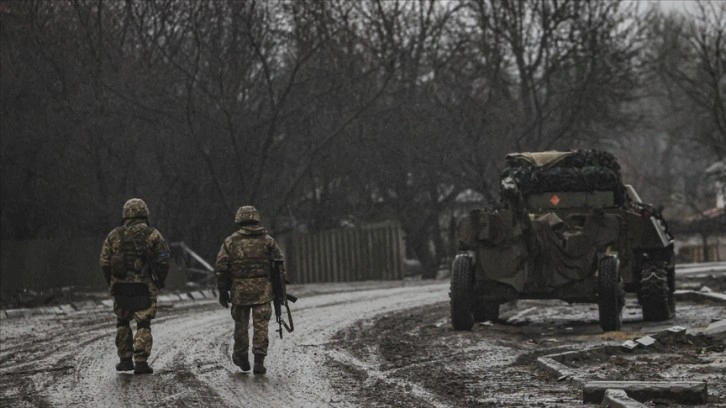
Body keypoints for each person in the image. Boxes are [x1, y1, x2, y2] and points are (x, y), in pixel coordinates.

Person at [99, 198, 170, 375]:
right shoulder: (153, 234)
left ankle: (124, 360)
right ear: (145, 213)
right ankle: (140, 361)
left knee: (122, 321)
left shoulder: (114, 235)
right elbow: (164, 259)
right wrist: (158, 279)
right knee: (143, 323)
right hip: (144, 287)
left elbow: (104, 262)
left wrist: (112, 282)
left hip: (120, 286)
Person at [216, 205, 286, 374]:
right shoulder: (268, 241)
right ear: (256, 219)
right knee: (261, 325)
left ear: (239, 220)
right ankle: (259, 360)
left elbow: (221, 267)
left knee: (241, 325)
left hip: (240, 291)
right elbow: (279, 266)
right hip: (263, 290)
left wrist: (223, 291)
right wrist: (280, 291)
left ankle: (241, 356)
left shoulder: (230, 241)